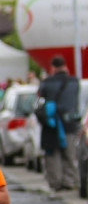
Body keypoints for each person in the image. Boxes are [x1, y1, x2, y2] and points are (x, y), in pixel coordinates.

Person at [37, 55, 81, 192]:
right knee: (70, 154)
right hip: (70, 123)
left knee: (52, 154)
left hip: (52, 124)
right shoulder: (74, 82)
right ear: (65, 65)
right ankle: (70, 181)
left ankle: (56, 182)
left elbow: (40, 97)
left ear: (52, 67)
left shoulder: (47, 83)